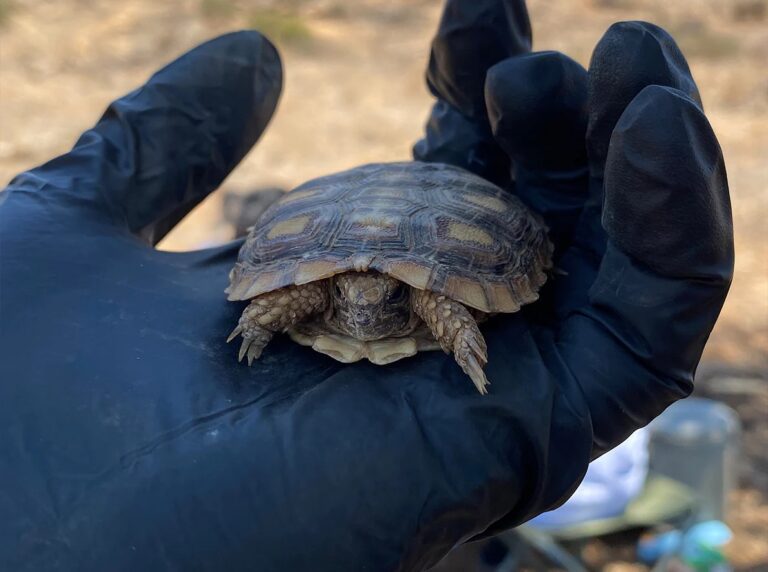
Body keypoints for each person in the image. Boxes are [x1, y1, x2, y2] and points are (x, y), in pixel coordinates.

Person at [0, 1, 733, 570]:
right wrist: (264, 316)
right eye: (348, 296)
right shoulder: (322, 296)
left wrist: (455, 326)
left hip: (433, 230)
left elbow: (431, 297)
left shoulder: (416, 298)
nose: (361, 303)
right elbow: (300, 294)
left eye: (376, 297)